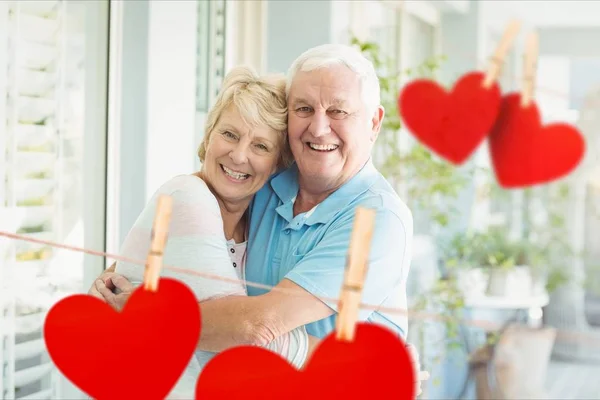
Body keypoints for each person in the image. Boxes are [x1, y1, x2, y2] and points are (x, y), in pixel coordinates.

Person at [94, 44, 429, 396]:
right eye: (304, 108)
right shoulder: (269, 187)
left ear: (374, 122)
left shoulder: (378, 219)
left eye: (338, 111)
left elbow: (258, 326)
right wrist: (116, 279)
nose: (318, 128)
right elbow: (185, 210)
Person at [89, 66, 314, 398]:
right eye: (230, 134)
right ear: (208, 136)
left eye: (261, 146)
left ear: (279, 163)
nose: (239, 155)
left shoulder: (260, 225)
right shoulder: (187, 197)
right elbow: (245, 337)